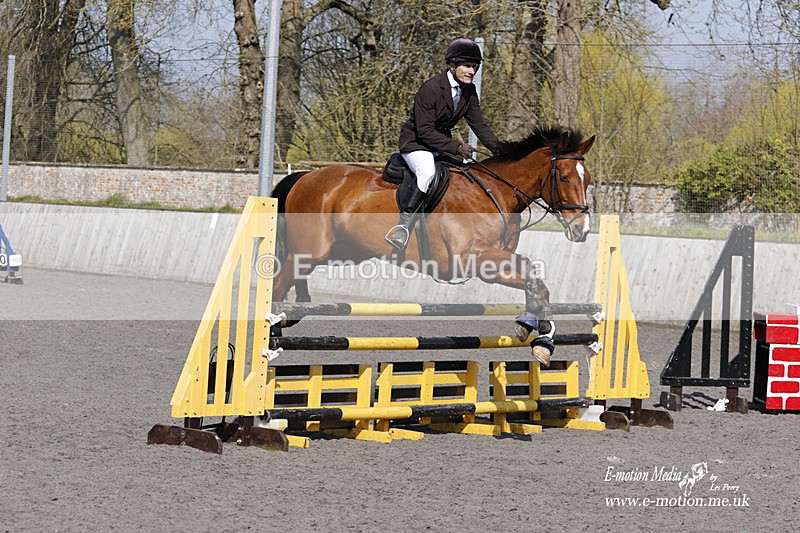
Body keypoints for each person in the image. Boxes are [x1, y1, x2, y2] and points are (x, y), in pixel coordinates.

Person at [385, 37, 504, 250]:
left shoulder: (469, 91)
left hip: (439, 145)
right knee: (427, 173)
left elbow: (480, 126)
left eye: (475, 66)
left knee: (466, 172)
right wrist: (457, 147)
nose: (472, 71)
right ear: (452, 65)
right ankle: (402, 227)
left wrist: (502, 151)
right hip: (416, 144)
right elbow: (424, 131)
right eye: (467, 66)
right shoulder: (430, 89)